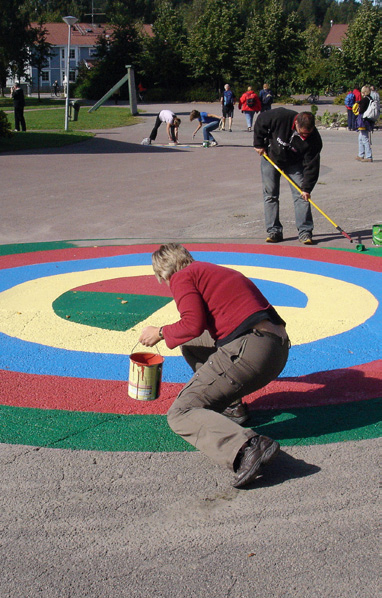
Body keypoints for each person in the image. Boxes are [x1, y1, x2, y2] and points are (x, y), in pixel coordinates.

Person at [138, 243, 289, 488]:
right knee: (191, 344)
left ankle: (247, 446)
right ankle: (232, 407)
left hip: (250, 350)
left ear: (163, 272)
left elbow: (191, 324)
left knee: (180, 413)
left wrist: (161, 332)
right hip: (276, 348)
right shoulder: (211, 270)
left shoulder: (181, 277)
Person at [253, 108, 323, 245]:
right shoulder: (280, 116)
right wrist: (259, 144)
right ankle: (274, 230)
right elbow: (261, 121)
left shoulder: (315, 140)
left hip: (295, 164)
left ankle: (305, 232)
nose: (304, 137)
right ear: (296, 123)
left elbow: (312, 166)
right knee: (270, 194)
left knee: (301, 195)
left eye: (307, 134)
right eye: (302, 134)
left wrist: (307, 188)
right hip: (271, 157)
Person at [355, 85, 374, 163]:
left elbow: (361, 111)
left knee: (364, 138)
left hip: (363, 121)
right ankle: (361, 154)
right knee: (361, 138)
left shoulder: (364, 100)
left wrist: (358, 106)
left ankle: (369, 156)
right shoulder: (370, 99)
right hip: (368, 120)